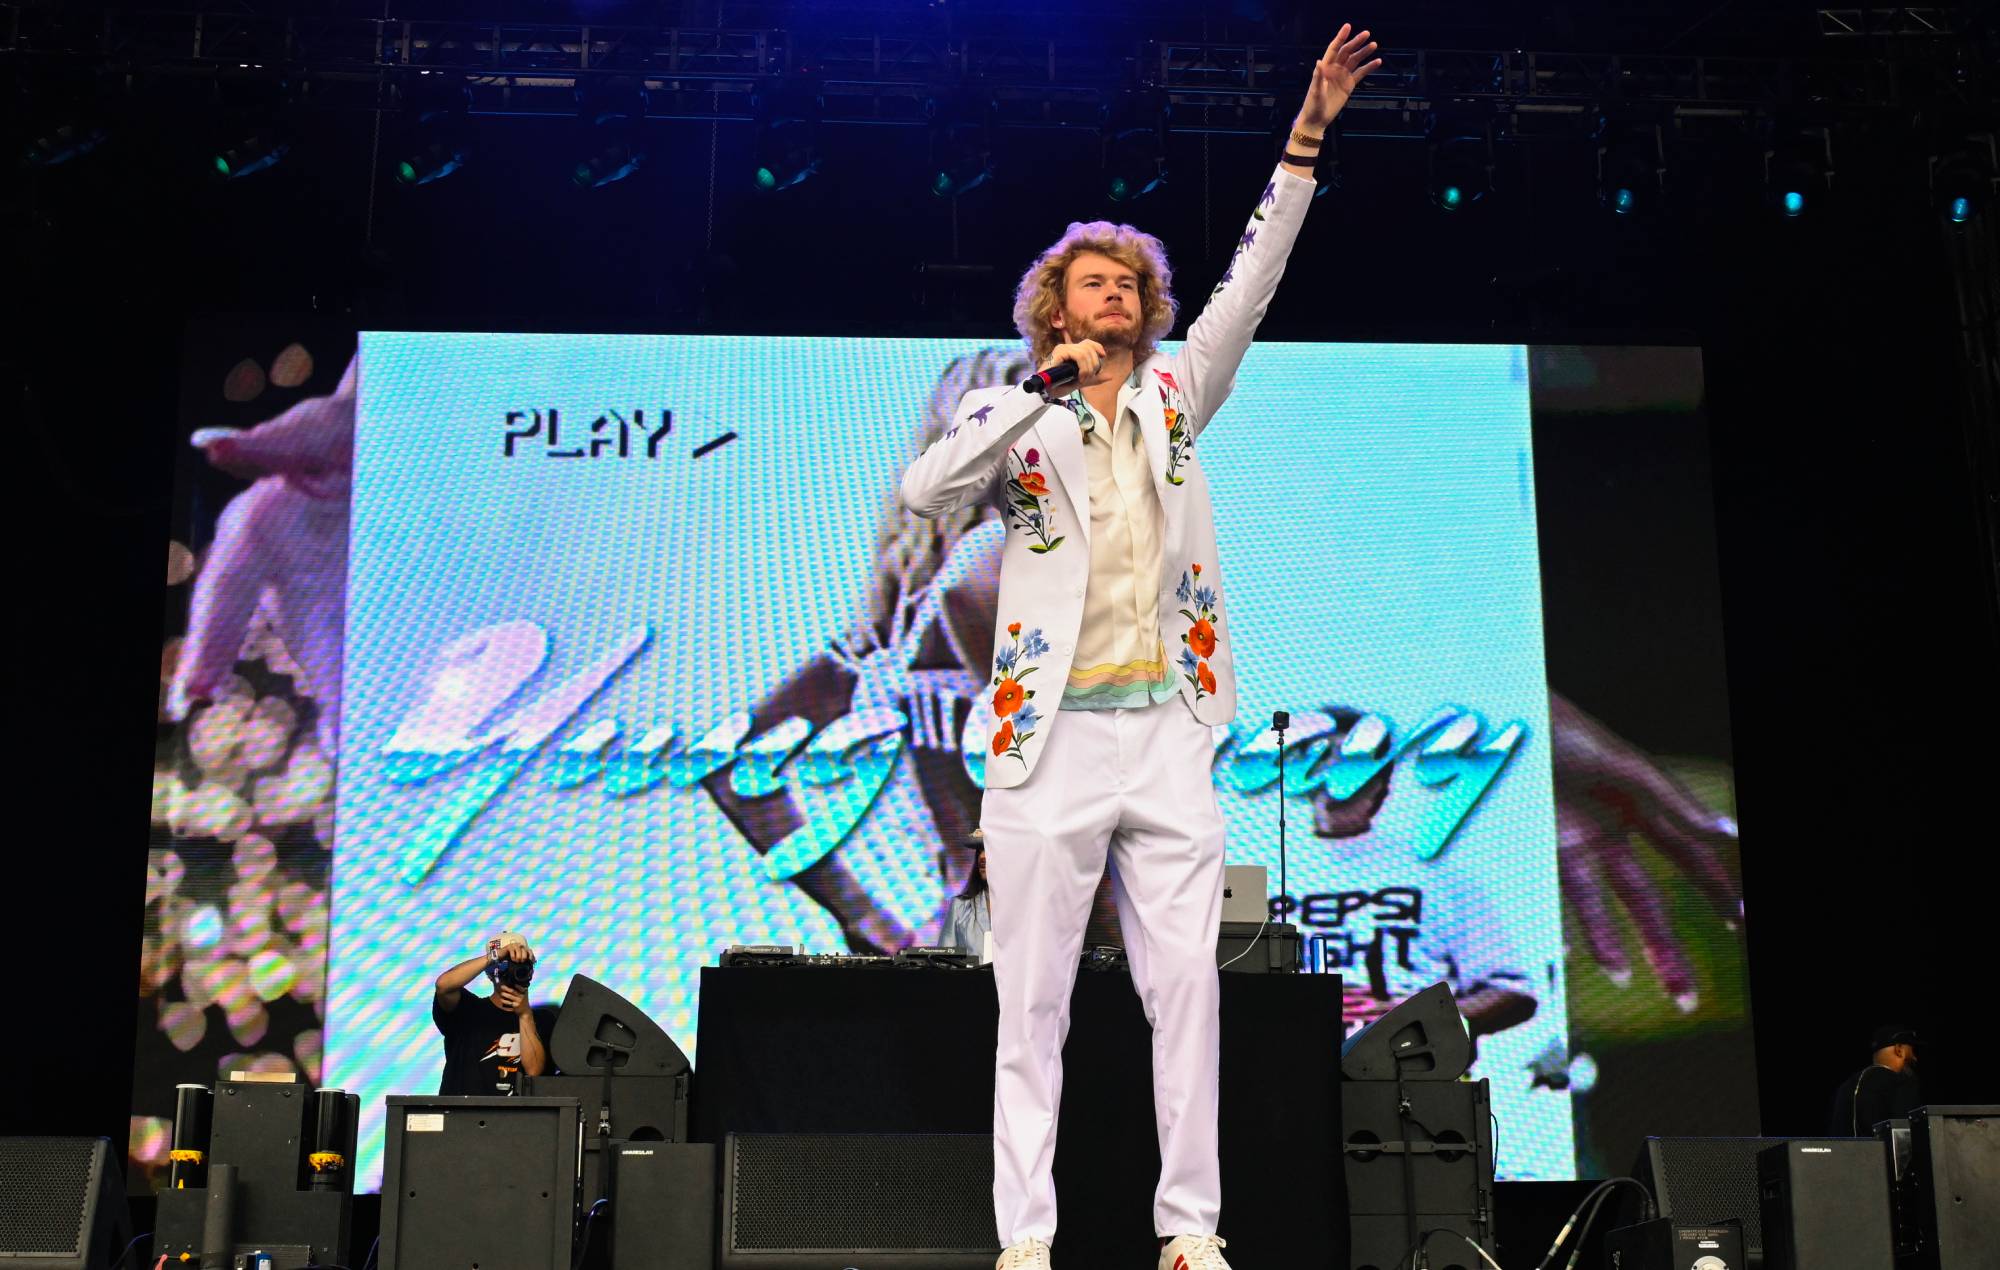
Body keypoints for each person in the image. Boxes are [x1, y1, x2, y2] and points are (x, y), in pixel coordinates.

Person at [899, 25, 1381, 1270]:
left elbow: (1253, 279)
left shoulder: (1177, 393)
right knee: (1031, 1006)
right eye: (1092, 283)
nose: (1115, 294)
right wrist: (1041, 391)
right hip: (1043, 741)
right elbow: (923, 491)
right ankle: (1025, 1242)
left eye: (1128, 285)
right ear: (1052, 309)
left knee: (1189, 995)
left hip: (1165, 728)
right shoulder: (1014, 413)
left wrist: (1304, 138)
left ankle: (1189, 1232)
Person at [433, 932, 556, 1096]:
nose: (511, 972)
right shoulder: (468, 1010)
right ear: (490, 973)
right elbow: (443, 985)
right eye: (504, 966)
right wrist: (495, 955)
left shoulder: (543, 1019)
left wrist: (525, 1015)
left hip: (517, 1119)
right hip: (462, 1116)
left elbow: (533, 1071)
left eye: (520, 966)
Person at [1827, 1024, 1924, 1136]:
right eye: (1912, 1050)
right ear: (1899, 1049)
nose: (1915, 1057)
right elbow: (1909, 1136)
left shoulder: (1845, 1086)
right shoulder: (1900, 1081)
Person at [948, 831, 994, 958]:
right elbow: (943, 961)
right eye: (979, 851)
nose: (982, 858)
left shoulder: (1022, 908)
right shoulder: (959, 906)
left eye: (989, 849)